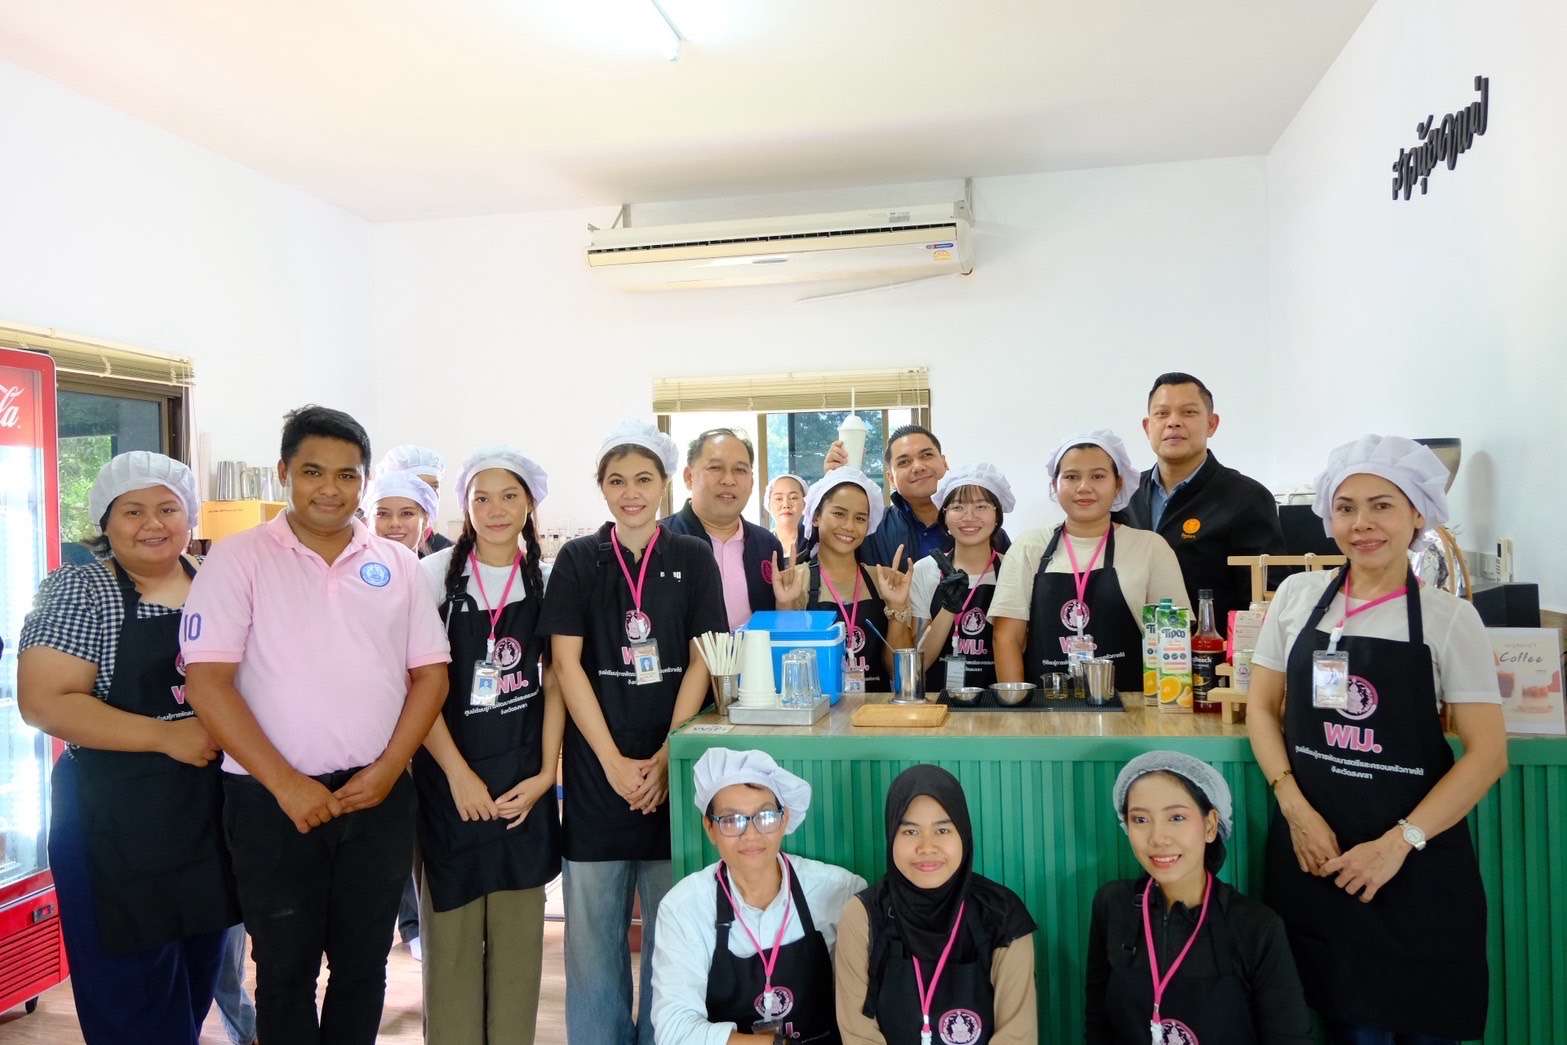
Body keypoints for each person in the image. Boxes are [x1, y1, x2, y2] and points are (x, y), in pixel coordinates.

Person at [180, 405, 452, 1045]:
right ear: (284, 472)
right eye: (313, 472)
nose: (330, 488)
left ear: (364, 481)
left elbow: (430, 677)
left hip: (376, 799)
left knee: (363, 968)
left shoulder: (397, 564)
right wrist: (286, 786)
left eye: (347, 475)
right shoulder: (238, 559)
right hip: (269, 802)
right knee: (284, 972)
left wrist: (387, 772)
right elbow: (207, 683)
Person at [1246, 435, 1508, 1045]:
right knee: (1345, 1027)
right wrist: (1294, 808)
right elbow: (1261, 708)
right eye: (1346, 507)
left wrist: (1398, 844)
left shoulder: (1449, 618)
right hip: (1318, 855)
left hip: (1416, 865)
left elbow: (1489, 753)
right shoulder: (1297, 597)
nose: (1361, 523)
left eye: (1382, 505)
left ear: (1418, 513)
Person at [17, 451, 240, 1045]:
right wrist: (165, 735)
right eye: (132, 511)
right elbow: (43, 701)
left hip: (207, 818)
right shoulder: (80, 589)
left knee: (192, 985)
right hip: (112, 823)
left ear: (189, 516)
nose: (152, 524)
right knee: (129, 999)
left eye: (168, 508)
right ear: (106, 521)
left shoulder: (216, 582)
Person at [539, 418, 728, 1045]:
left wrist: (669, 754)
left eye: (643, 479)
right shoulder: (577, 559)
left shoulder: (692, 556)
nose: (631, 492)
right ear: (601, 487)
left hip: (672, 770)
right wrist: (613, 763)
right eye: (617, 480)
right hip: (597, 776)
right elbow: (566, 663)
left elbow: (703, 657)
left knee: (674, 941)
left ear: (665, 484)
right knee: (593, 943)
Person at [414, 446, 563, 1045]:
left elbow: (556, 680)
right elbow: (416, 688)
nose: (496, 509)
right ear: (465, 506)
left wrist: (547, 775)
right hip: (450, 789)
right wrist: (458, 775)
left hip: (522, 791)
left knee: (519, 952)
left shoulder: (548, 579)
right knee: (449, 951)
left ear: (529, 504)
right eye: (482, 498)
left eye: (509, 496)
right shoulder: (431, 577)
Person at [1086, 751, 1312, 1044]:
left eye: (1176, 818)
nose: (1158, 837)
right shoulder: (1112, 905)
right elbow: (1097, 1026)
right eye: (1140, 819)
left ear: (1210, 825)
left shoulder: (1257, 927)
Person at [652, 749, 867, 1045]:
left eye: (765, 816)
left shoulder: (839, 891)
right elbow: (674, 1030)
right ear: (710, 828)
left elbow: (867, 1003)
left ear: (784, 819)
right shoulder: (684, 908)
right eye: (731, 820)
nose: (750, 834)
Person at [834, 764, 1037, 1044]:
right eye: (910, 832)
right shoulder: (863, 916)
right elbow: (858, 1034)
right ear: (891, 836)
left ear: (963, 834)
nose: (927, 847)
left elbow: (1017, 1036)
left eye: (942, 830)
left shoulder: (1001, 915)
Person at [991, 431, 1188, 694]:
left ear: (1118, 484)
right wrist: (1016, 709)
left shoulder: (1151, 548)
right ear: (1054, 484)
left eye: (1098, 476)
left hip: (1132, 707)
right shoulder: (1029, 547)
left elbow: (1173, 639)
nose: (1084, 487)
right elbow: (1007, 638)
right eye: (1071, 477)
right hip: (1046, 708)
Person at [1118, 373, 1284, 628]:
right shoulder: (1125, 495)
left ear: (1211, 424)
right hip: (1131, 646)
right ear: (1147, 426)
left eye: (1188, 412)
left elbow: (1263, 597)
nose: (1173, 422)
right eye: (1162, 414)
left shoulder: (1246, 497)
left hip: (1209, 649)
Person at [771, 468, 913, 695]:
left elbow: (900, 674)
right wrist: (786, 607)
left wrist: (897, 608)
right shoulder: (795, 581)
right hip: (818, 711)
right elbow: (785, 673)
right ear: (815, 516)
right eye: (839, 513)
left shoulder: (883, 580)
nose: (849, 526)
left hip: (875, 710)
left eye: (860, 518)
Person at [826, 424, 1010, 568]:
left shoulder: (982, 529)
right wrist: (832, 483)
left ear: (945, 463)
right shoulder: (871, 528)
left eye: (927, 455)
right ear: (891, 478)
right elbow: (828, 560)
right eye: (904, 462)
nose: (918, 467)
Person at [662, 428, 784, 629]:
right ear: (689, 477)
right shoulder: (659, 542)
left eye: (740, 470)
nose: (728, 480)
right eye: (716, 468)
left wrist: (787, 605)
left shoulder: (768, 545)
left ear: (751, 482)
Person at [908, 464, 1015, 694]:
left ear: (997, 516)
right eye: (958, 507)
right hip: (937, 703)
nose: (969, 517)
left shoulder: (1013, 569)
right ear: (944, 517)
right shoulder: (925, 570)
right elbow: (918, 663)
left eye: (981, 506)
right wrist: (948, 609)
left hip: (998, 701)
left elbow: (1021, 646)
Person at [378, 443, 453, 550]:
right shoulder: (369, 551)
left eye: (434, 487)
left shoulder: (448, 551)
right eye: (418, 486)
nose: (428, 495)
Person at [369, 469, 440, 558]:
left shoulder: (438, 566)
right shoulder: (355, 566)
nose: (394, 523)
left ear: (425, 519)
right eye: (383, 514)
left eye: (407, 513)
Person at [765, 472, 808, 566]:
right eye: (779, 499)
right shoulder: (761, 545)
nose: (786, 505)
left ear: (805, 503)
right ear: (768, 504)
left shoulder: (815, 544)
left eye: (793, 498)